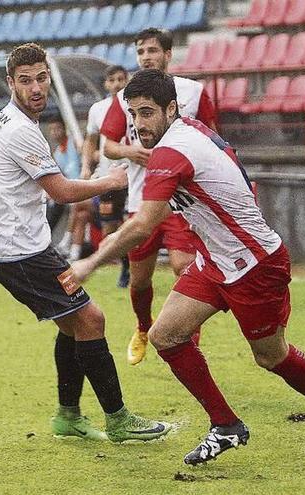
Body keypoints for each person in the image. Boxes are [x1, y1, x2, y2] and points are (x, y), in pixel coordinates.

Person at [74, 69, 305, 465]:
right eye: (133, 113)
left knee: (270, 356)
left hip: (255, 266)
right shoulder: (187, 131)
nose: (139, 124)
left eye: (147, 112)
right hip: (217, 262)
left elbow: (143, 224)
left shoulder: (173, 151)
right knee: (166, 335)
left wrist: (90, 261)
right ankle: (225, 425)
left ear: (172, 108)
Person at [0, 43, 170, 443]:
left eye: (41, 78)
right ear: (11, 83)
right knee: (91, 319)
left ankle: (68, 416)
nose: (36, 88)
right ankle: (117, 419)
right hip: (18, 250)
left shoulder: (15, 121)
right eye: (25, 81)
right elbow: (61, 191)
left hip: (12, 245)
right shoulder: (21, 131)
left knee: (73, 323)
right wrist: (112, 181)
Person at [100, 28, 217, 366]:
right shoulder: (126, 96)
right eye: (140, 52)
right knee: (140, 279)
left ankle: (188, 340)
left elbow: (211, 136)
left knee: (184, 266)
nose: (146, 57)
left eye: (152, 50)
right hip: (142, 199)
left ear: (168, 54)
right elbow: (107, 144)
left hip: (183, 201)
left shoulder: (193, 93)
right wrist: (131, 151)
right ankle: (142, 327)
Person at [82, 65, 130, 287]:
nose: (117, 84)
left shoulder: (133, 106)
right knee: (110, 228)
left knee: (132, 222)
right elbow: (90, 140)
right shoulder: (97, 109)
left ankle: (130, 269)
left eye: (121, 79)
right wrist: (86, 166)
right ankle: (125, 262)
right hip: (107, 175)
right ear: (106, 84)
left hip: (131, 174)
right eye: (112, 80)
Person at [47, 115, 88, 261]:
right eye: (51, 130)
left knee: (75, 204)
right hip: (72, 191)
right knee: (78, 212)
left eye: (57, 128)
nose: (54, 132)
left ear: (64, 129)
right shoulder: (58, 153)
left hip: (85, 187)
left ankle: (66, 239)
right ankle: (73, 252)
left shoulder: (74, 142)